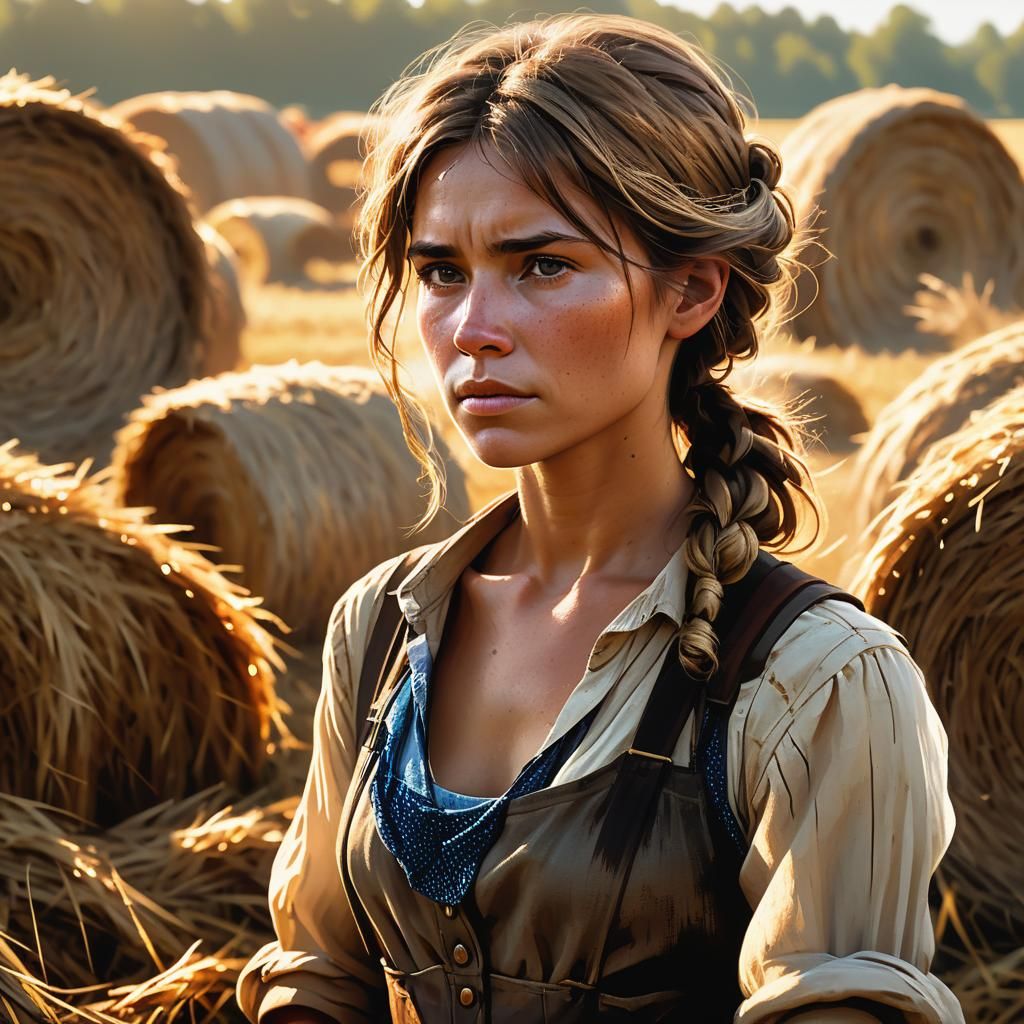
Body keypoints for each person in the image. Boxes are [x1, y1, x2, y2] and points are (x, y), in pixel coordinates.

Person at [237, 14, 964, 1023]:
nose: (471, 332)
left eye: (541, 265)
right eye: (442, 271)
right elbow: (318, 972)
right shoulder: (381, 630)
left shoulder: (819, 683)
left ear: (691, 290)